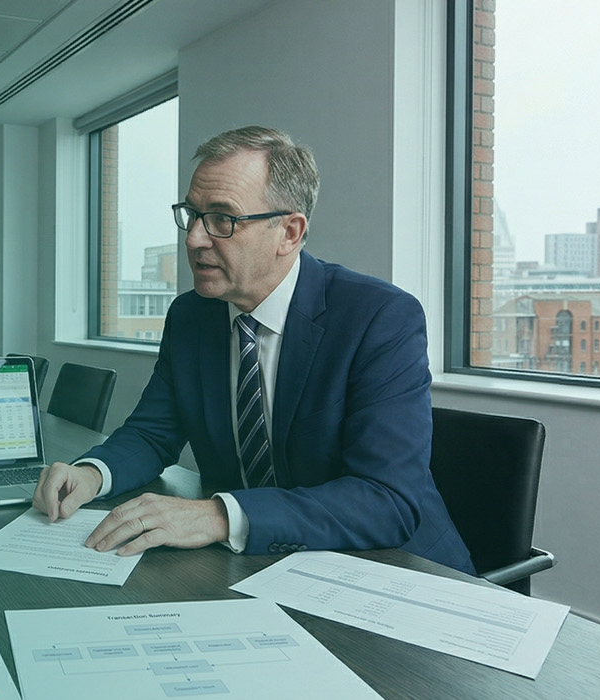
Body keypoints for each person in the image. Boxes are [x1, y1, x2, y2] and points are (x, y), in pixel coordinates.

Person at [34, 126, 474, 574]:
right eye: (192, 214)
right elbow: (152, 433)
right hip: (257, 566)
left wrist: (219, 515)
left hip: (397, 570)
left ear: (289, 232)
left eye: (222, 219)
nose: (193, 239)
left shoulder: (379, 317)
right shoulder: (192, 316)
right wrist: (91, 473)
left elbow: (386, 501)